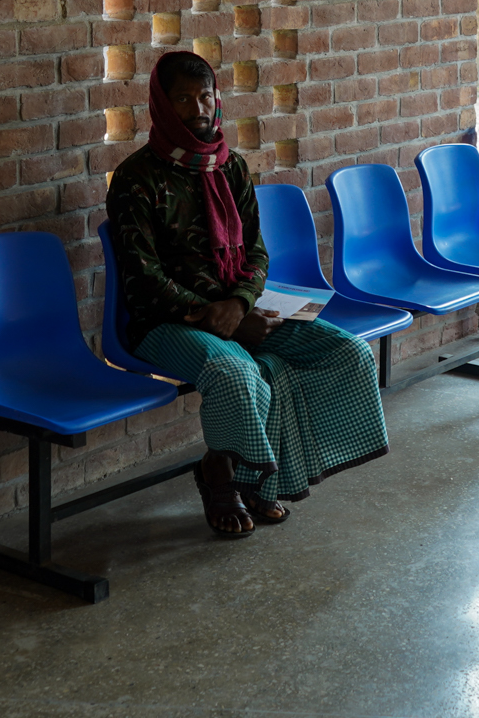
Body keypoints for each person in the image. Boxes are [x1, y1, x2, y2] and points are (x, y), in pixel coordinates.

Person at [106, 50, 389, 538]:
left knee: (349, 353)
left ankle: (269, 471)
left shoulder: (229, 166)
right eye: (182, 99)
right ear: (160, 105)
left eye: (205, 96)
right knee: (237, 372)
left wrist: (239, 304)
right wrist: (222, 316)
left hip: (239, 308)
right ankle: (224, 478)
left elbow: (256, 252)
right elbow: (143, 278)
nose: (198, 109)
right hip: (162, 323)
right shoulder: (137, 178)